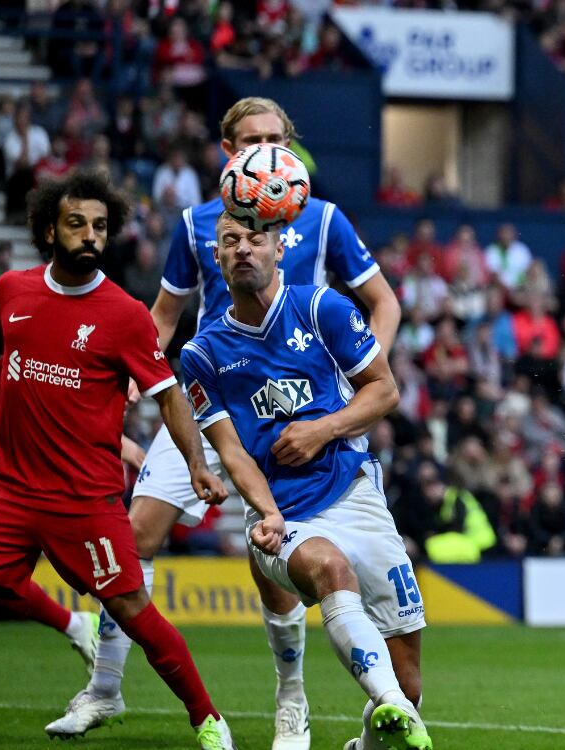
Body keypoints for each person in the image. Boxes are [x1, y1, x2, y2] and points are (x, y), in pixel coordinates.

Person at [49, 97, 401, 750]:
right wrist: (126, 382)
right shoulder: (196, 224)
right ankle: (104, 688)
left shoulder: (322, 219)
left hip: (295, 411)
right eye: (248, 140)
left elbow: (383, 304)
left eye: (274, 138)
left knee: (270, 554)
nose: (262, 149)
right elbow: (161, 317)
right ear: (227, 150)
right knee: (136, 535)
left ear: (289, 146)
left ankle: (290, 699)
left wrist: (356, 387)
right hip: (211, 392)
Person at [0, 171, 234, 749]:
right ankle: (72, 625)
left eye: (100, 226)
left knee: (130, 609)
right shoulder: (10, 291)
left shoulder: (124, 314)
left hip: (84, 499)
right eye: (77, 224)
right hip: (9, 487)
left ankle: (207, 718)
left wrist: (197, 465)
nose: (90, 236)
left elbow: (169, 395)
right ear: (49, 230)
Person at [181, 212, 430, 750]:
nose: (243, 248)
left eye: (255, 239)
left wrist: (321, 430)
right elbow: (231, 451)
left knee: (411, 682)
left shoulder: (323, 308)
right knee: (330, 569)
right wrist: (266, 511)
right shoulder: (201, 355)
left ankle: (378, 727)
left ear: (277, 250)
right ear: (217, 259)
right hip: (283, 515)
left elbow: (384, 391)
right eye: (230, 241)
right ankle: (385, 704)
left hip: (353, 490)